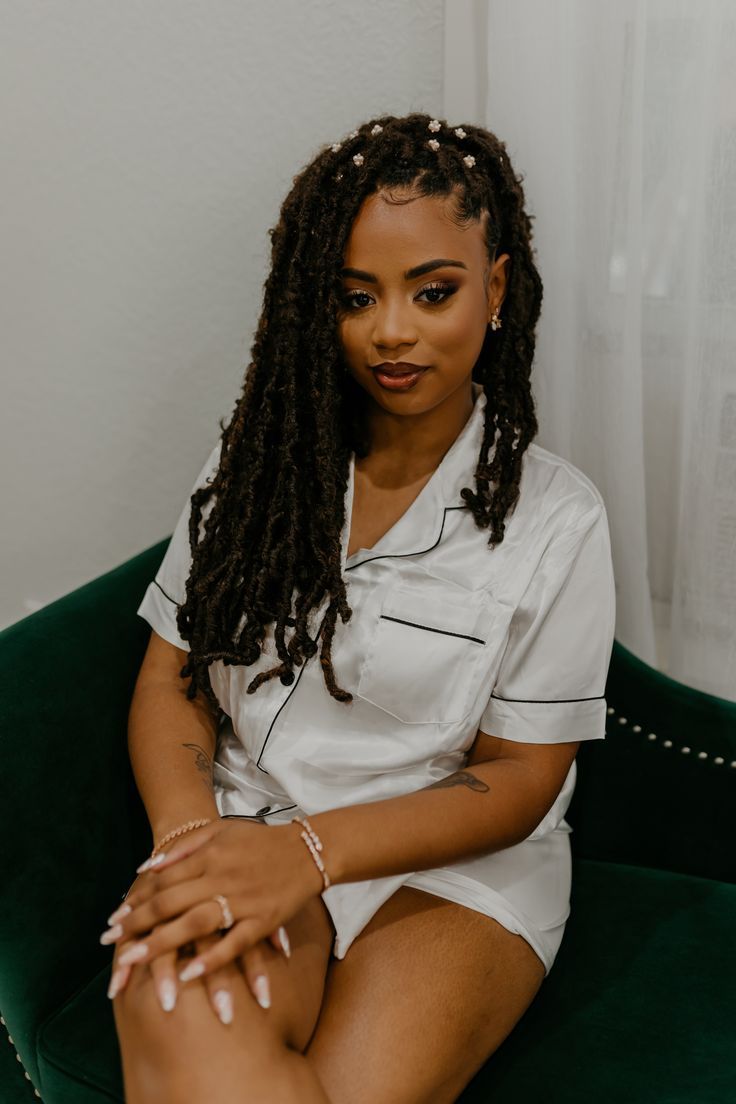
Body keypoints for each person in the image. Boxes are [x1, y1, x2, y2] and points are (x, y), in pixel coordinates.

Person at [101, 112, 616, 1103]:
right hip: (241, 827)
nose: (391, 331)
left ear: (496, 288)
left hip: (458, 872)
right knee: (179, 1018)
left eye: (433, 292)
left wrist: (312, 854)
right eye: (353, 296)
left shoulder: (559, 518)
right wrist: (187, 847)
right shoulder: (253, 471)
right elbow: (170, 681)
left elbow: (519, 779)